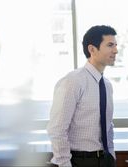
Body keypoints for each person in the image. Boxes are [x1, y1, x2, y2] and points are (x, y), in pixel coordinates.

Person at [47, 25, 118, 167]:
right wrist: (65, 164)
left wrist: (111, 155)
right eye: (110, 45)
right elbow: (57, 129)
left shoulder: (107, 85)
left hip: (105, 160)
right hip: (79, 160)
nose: (116, 50)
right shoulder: (73, 81)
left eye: (116, 45)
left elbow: (108, 126)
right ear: (92, 49)